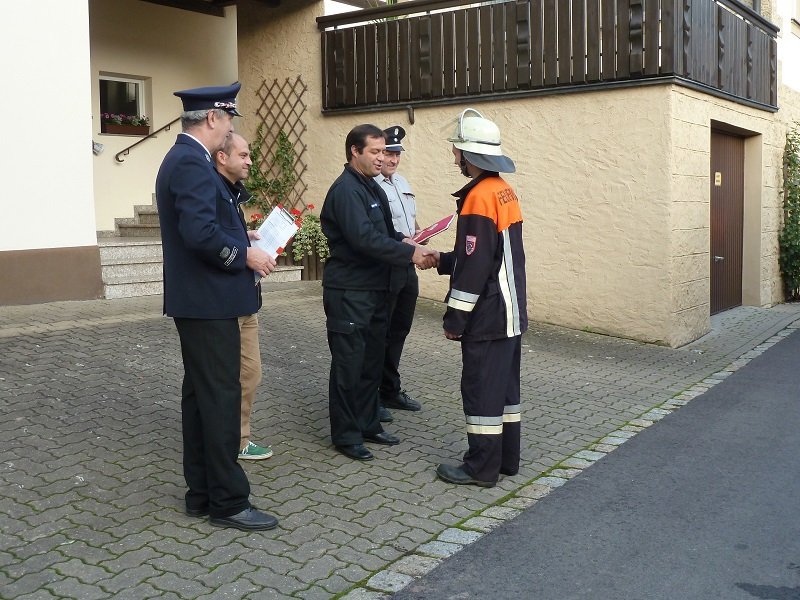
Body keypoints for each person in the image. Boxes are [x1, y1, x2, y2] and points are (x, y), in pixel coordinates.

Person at [156, 83, 278, 531]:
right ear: (213, 118)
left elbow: (206, 225)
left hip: (203, 301)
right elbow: (200, 234)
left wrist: (241, 236)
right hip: (208, 302)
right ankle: (228, 502)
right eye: (228, 120)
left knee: (201, 400)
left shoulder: (190, 159)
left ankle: (202, 494)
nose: (230, 129)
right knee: (222, 401)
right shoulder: (191, 161)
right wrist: (245, 254)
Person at [320, 124, 436, 462]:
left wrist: (407, 241)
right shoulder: (346, 190)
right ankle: (346, 435)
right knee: (349, 365)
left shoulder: (371, 186)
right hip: (350, 292)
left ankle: (369, 424)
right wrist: (410, 254)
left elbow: (383, 232)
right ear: (354, 151)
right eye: (375, 151)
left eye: (384, 151)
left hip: (375, 290)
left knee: (371, 361)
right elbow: (363, 239)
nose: (382, 158)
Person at [431, 109, 528, 488]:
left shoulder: (478, 198)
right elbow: (488, 255)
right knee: (504, 391)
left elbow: (474, 269)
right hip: (510, 313)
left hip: (487, 316)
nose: (454, 156)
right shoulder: (503, 190)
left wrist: (455, 319)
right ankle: (506, 461)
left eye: (456, 150)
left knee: (481, 392)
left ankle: (480, 469)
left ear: (469, 154)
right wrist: (442, 260)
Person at [214, 132, 273, 461]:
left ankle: (238, 438)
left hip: (244, 299)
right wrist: (245, 253)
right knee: (238, 375)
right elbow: (206, 239)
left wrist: (244, 236)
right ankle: (232, 441)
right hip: (227, 302)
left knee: (250, 374)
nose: (250, 161)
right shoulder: (213, 188)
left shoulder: (230, 190)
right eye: (244, 155)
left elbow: (223, 235)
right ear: (222, 158)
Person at [374, 126, 423, 423]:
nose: (393, 160)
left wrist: (419, 233)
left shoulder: (401, 181)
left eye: (397, 154)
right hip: (386, 267)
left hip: (407, 265)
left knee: (399, 330)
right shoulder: (372, 185)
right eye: (388, 154)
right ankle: (374, 395)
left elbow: (409, 221)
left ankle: (390, 388)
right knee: (381, 332)